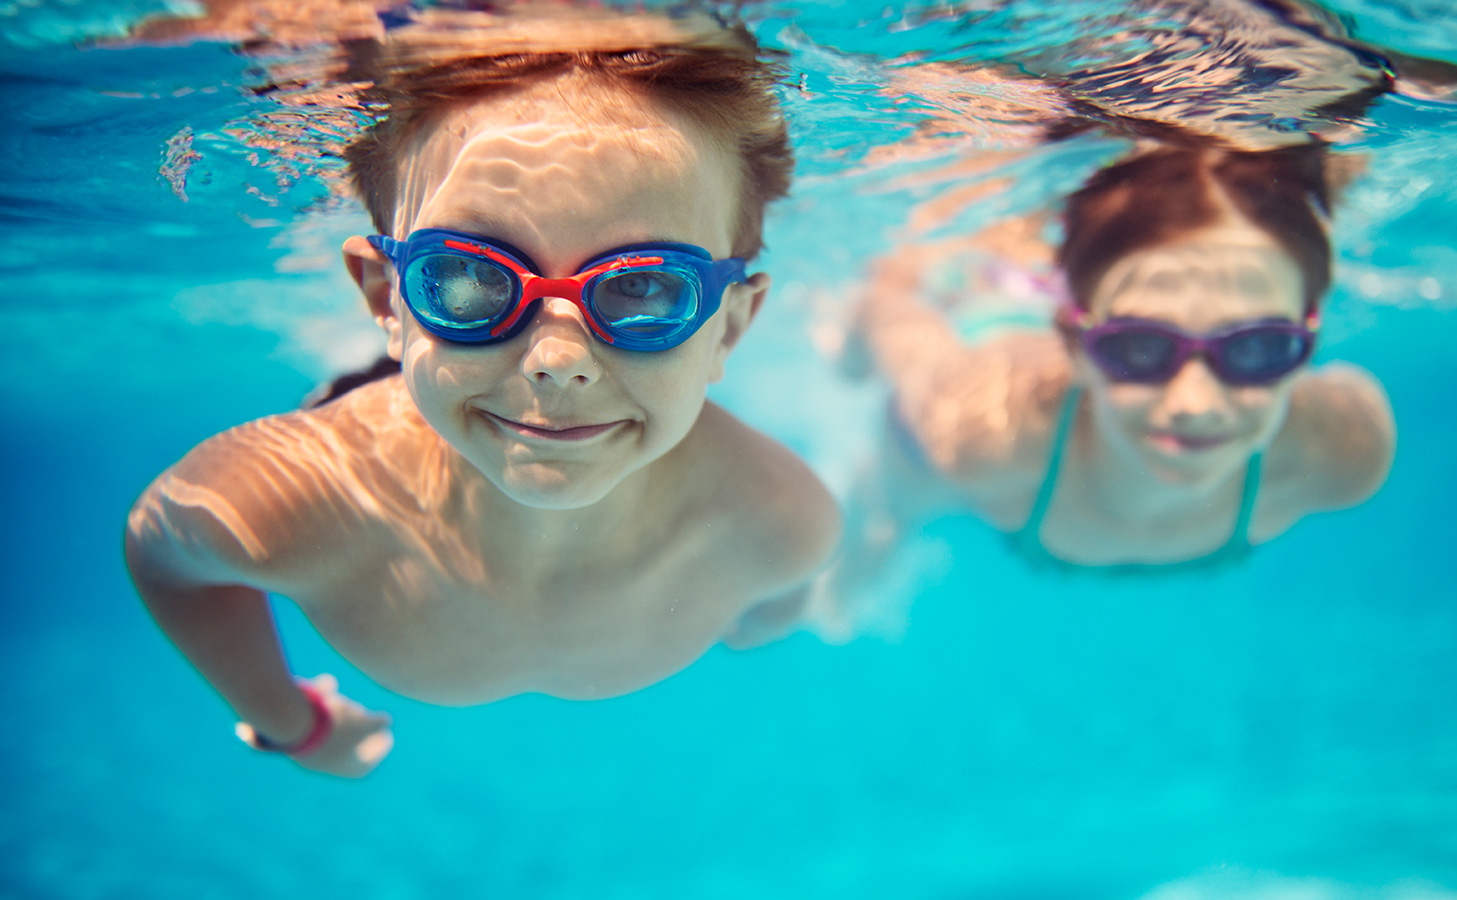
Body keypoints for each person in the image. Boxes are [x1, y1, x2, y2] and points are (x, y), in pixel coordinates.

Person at [124, 6, 839, 778]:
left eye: (644, 288)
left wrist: (763, 612)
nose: (557, 360)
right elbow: (163, 557)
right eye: (466, 275)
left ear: (729, 329)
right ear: (385, 301)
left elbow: (778, 602)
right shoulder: (290, 503)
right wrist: (288, 723)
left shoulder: (780, 525)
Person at [835, 144, 1392, 594]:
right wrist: (880, 522)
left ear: (1307, 345)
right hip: (993, 321)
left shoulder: (1346, 447)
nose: (1196, 403)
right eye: (1140, 348)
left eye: (1257, 349)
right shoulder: (978, 428)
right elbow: (890, 311)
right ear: (1075, 346)